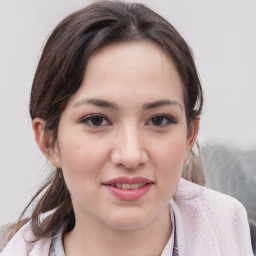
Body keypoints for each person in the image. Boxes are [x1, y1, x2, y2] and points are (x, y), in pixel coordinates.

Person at [0, 1, 253, 255]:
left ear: (189, 136)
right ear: (48, 141)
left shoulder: (241, 240)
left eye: (158, 120)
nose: (131, 156)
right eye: (96, 120)